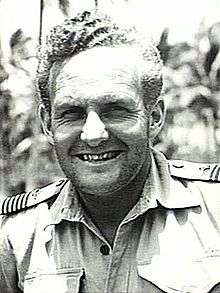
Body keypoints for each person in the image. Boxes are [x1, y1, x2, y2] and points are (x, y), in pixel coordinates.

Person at [1, 10, 220, 293]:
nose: (93, 135)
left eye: (115, 110)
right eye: (72, 113)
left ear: (154, 118)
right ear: (47, 123)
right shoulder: (15, 236)